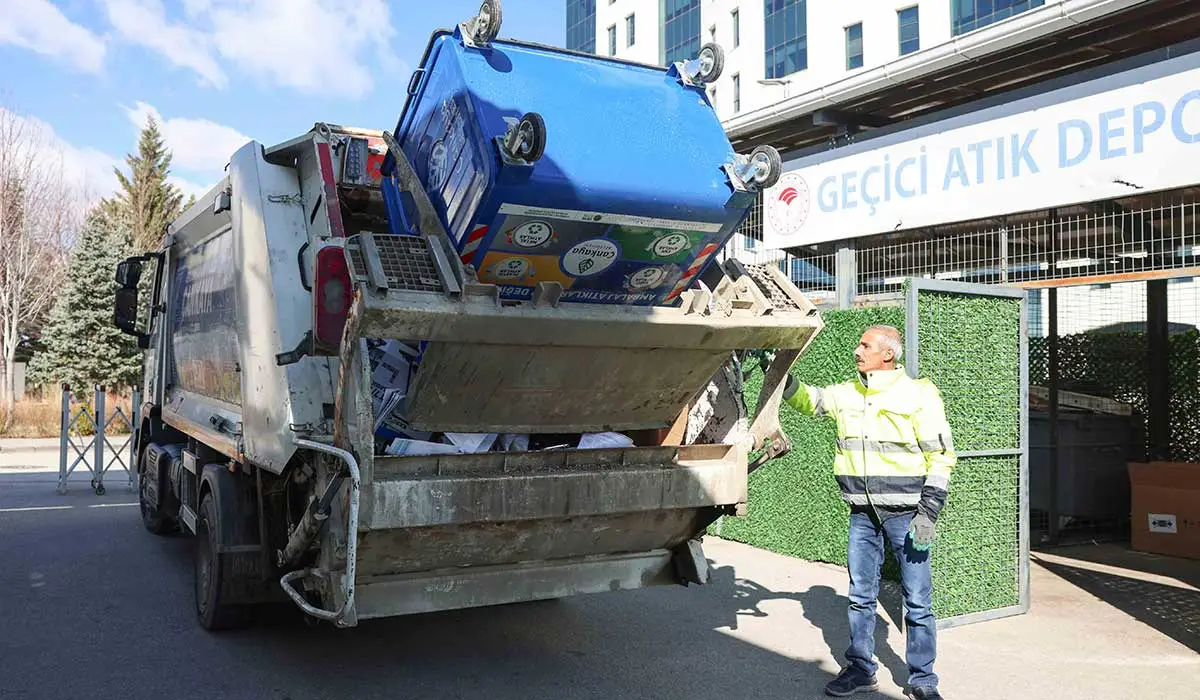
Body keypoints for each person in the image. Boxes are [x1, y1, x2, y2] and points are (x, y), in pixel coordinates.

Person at [782, 324, 956, 700]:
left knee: (918, 600)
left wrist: (928, 513)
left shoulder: (917, 394)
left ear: (887, 354)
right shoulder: (848, 392)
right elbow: (810, 401)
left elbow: (941, 455)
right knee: (861, 595)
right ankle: (861, 669)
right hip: (862, 514)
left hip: (908, 515)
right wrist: (780, 373)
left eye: (865, 345)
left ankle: (923, 679)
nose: (857, 351)